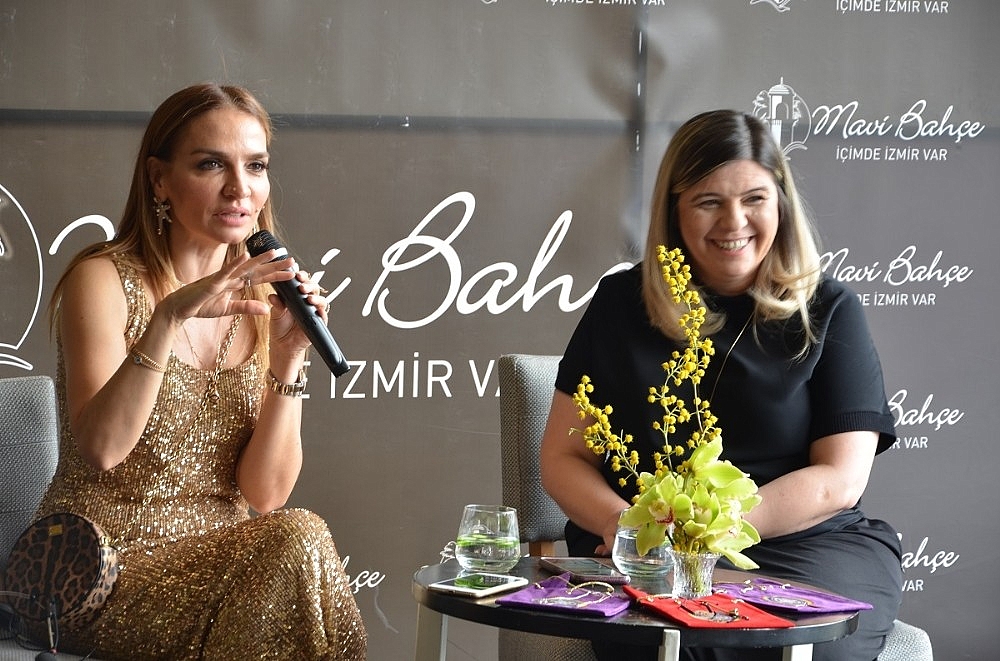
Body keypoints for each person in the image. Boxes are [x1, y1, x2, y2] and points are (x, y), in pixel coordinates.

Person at [540, 109, 902, 661]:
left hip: (808, 547)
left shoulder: (829, 309)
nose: (734, 221)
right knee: (670, 642)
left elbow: (839, 479)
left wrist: (704, 536)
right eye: (709, 202)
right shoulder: (619, 305)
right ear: (674, 212)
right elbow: (563, 458)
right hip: (650, 554)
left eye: (754, 198)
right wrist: (628, 528)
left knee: (805, 645)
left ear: (780, 204)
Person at [32, 83, 367, 660]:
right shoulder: (104, 279)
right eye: (212, 164)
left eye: (255, 165)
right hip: (99, 576)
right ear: (159, 179)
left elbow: (266, 494)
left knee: (294, 542)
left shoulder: (266, 301)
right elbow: (103, 450)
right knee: (299, 540)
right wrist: (167, 318)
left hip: (224, 571)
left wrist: (289, 355)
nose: (240, 188)